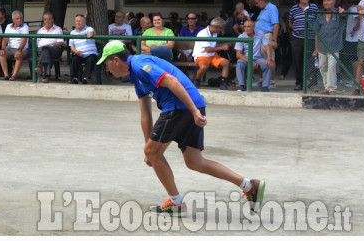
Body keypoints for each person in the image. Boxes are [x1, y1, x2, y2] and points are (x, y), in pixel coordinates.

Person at [97, 40, 265, 215]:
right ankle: (249, 185)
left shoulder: (140, 64)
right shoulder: (136, 77)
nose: (107, 69)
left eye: (106, 63)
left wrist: (193, 112)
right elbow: (145, 114)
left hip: (181, 107)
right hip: (189, 106)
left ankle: (176, 203)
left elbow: (171, 81)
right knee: (194, 161)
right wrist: (149, 149)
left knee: (157, 153)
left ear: (116, 60)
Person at [313, 0, 345, 95]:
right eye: (324, 1)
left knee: (332, 67)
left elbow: (345, 17)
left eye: (328, 0)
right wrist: (316, 48)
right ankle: (327, 86)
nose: (326, 3)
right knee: (322, 67)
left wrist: (343, 13)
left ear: (334, 2)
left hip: (334, 47)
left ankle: (332, 88)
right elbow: (316, 33)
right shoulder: (320, 15)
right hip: (322, 47)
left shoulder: (339, 13)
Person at [288, 0, 319, 91]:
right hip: (297, 39)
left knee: (312, 61)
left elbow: (318, 22)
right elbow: (290, 22)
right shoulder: (294, 9)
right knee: (297, 61)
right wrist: (297, 30)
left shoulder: (314, 7)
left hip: (310, 38)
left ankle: (312, 83)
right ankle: (300, 83)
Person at [235, 21, 274, 92]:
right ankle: (242, 85)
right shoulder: (241, 37)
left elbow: (267, 46)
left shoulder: (260, 33)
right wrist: (250, 61)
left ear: (254, 27)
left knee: (268, 65)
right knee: (239, 64)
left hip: (257, 58)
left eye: (248, 27)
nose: (246, 29)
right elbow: (238, 54)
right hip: (245, 58)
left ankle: (265, 86)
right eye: (245, 27)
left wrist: (269, 58)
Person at [192, 17, 230, 90]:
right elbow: (208, 49)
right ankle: (197, 80)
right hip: (201, 55)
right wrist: (222, 48)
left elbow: (213, 45)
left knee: (226, 63)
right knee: (203, 67)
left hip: (212, 55)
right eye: (221, 28)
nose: (221, 30)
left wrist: (223, 45)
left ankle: (223, 83)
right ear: (216, 27)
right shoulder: (203, 33)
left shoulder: (214, 33)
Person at [254, 0, 280, 88]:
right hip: (258, 36)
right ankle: (262, 80)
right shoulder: (262, 10)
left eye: (257, 3)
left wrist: (274, 39)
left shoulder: (272, 8)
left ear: (262, 1)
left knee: (269, 58)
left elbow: (276, 24)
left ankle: (272, 81)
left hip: (267, 35)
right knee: (260, 58)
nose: (256, 5)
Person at [0, 10, 30, 81]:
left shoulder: (25, 27)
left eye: (21, 18)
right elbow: (5, 38)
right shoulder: (8, 26)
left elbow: (24, 40)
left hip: (22, 48)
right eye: (17, 18)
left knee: (18, 55)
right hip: (10, 48)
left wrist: (19, 50)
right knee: (2, 54)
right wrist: (3, 48)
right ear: (13, 20)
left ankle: (14, 76)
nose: (20, 20)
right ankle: (6, 75)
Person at [35, 12, 64, 83]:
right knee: (46, 52)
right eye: (45, 19)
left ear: (52, 20)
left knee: (46, 49)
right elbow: (36, 43)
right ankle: (47, 76)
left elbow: (60, 42)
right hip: (41, 50)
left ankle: (40, 68)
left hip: (55, 50)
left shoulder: (58, 29)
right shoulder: (40, 30)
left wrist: (51, 45)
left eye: (48, 19)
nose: (46, 21)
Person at [68, 14, 98, 84]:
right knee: (75, 59)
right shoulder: (72, 33)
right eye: (77, 21)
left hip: (90, 53)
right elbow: (71, 46)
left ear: (84, 22)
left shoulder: (89, 29)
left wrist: (91, 33)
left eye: (80, 21)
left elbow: (93, 32)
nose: (78, 23)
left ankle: (85, 78)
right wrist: (76, 52)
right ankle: (74, 78)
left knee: (90, 60)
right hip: (79, 53)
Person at [340, 0, 359, 83]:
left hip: (353, 39)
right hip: (350, 39)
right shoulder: (350, 9)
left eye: (344, 4)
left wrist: (354, 30)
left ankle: (356, 80)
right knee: (351, 59)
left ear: (347, 3)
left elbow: (359, 18)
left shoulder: (353, 9)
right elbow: (344, 14)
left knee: (354, 59)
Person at [353, 0, 364, 95]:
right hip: (363, 37)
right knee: (360, 62)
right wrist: (361, 9)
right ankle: (357, 88)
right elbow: (359, 7)